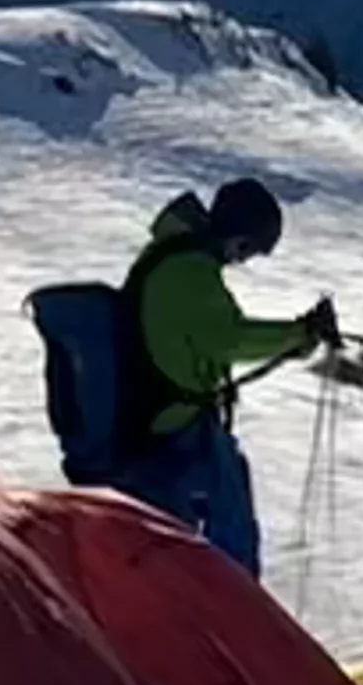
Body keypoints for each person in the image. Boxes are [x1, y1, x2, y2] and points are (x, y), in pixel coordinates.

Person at [112, 176, 336, 576]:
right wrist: (299, 334)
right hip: (171, 425)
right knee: (227, 501)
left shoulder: (175, 257)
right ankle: (236, 603)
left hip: (153, 418)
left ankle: (200, 599)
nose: (243, 260)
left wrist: (294, 338)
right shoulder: (189, 271)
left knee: (181, 519)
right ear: (238, 236)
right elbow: (230, 338)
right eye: (250, 249)